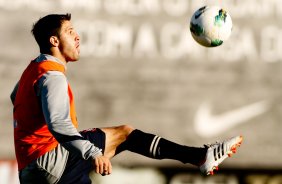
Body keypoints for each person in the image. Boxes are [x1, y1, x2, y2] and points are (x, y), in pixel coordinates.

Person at [10, 13, 243, 184]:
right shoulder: (53, 77)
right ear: (54, 41)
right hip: (50, 162)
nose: (78, 37)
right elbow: (59, 124)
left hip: (32, 171)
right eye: (70, 32)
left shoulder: (34, 70)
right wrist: (92, 152)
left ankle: (200, 156)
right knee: (125, 135)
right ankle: (200, 156)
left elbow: (16, 97)